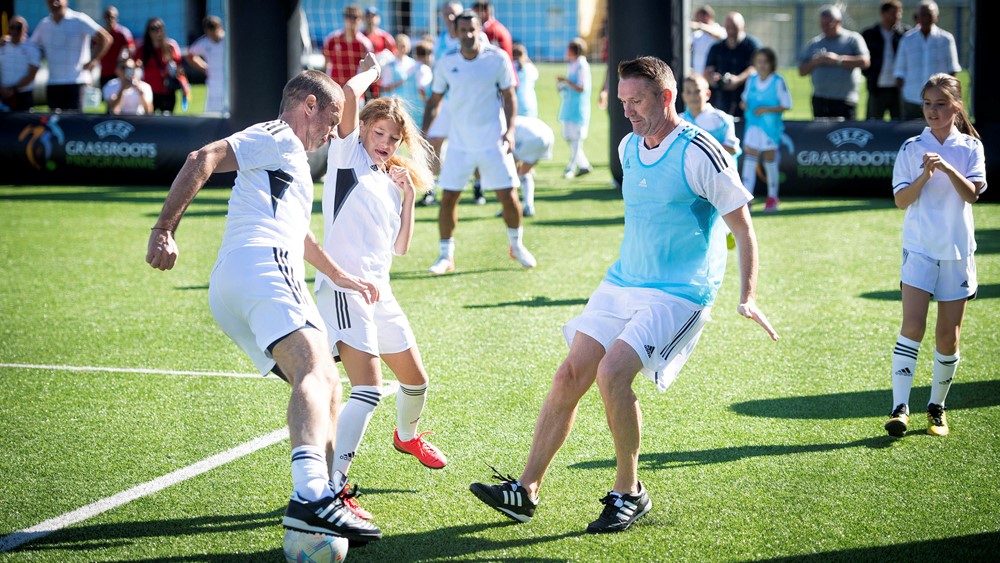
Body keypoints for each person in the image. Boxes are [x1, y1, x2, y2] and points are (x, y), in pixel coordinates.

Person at [469, 55, 778, 534]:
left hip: (680, 293)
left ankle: (630, 492)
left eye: (637, 101)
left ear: (666, 97)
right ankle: (525, 490)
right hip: (623, 280)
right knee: (570, 374)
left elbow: (743, 225)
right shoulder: (628, 146)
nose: (628, 111)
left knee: (612, 373)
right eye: (622, 101)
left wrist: (749, 294)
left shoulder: (701, 151)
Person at [145, 69, 382, 543]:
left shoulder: (291, 160)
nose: (333, 132)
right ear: (309, 105)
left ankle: (325, 496)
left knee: (325, 384)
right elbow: (203, 156)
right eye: (332, 118)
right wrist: (163, 229)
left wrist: (339, 275)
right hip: (261, 265)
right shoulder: (279, 135)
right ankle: (311, 496)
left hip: (237, 282)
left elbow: (300, 233)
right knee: (316, 370)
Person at [315, 53, 447, 520]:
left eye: (394, 138)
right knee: (368, 390)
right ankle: (333, 486)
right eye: (379, 134)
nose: (386, 144)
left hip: (380, 293)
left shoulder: (390, 182)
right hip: (343, 290)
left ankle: (406, 437)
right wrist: (372, 70)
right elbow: (349, 93)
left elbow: (401, 248)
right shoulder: (346, 157)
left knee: (416, 381)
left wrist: (407, 197)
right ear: (363, 130)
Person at [884, 73, 985, 438]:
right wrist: (925, 175)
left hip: (957, 254)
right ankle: (899, 408)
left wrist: (947, 167)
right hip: (919, 250)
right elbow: (901, 201)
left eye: (941, 104)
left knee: (948, 337)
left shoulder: (971, 147)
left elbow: (972, 194)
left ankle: (936, 407)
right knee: (912, 327)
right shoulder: (912, 147)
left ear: (956, 107)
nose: (932, 111)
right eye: (927, 104)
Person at [422, 10, 536, 274]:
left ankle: (516, 246)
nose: (468, 35)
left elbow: (509, 96)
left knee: (508, 196)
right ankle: (445, 256)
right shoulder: (447, 61)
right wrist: (424, 133)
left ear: (480, 29)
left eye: (472, 29)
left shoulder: (497, 58)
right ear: (456, 32)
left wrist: (510, 131)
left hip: (493, 142)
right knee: (448, 198)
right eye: (463, 30)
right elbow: (435, 100)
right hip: (459, 144)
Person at [418, 1, 464, 208]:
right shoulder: (439, 41)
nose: (450, 18)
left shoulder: (471, 38)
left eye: (454, 14)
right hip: (443, 102)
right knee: (432, 142)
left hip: (465, 103)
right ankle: (431, 189)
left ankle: (478, 187)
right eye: (446, 14)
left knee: (469, 145)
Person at [30, 0, 111, 111]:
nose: (54, 4)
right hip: (53, 82)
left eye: (57, 0)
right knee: (53, 120)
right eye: (50, 1)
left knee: (74, 119)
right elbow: (31, 45)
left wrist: (93, 60)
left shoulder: (79, 19)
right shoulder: (44, 24)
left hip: (76, 81)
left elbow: (105, 38)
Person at [797, 5, 870, 120]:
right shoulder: (815, 43)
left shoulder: (852, 39)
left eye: (828, 24)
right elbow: (801, 71)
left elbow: (865, 62)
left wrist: (838, 60)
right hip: (820, 99)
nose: (825, 28)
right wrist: (815, 62)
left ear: (838, 22)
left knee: (844, 131)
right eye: (822, 24)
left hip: (844, 99)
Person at [740, 47, 791, 212]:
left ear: (771, 64)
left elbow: (786, 105)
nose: (762, 65)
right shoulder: (751, 80)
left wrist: (766, 110)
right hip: (752, 126)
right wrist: (744, 105)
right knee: (750, 157)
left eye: (765, 62)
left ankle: (772, 197)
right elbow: (744, 99)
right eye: (759, 62)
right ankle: (746, 198)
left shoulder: (778, 81)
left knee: (770, 159)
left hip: (770, 129)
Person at [893, 1, 960, 121]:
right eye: (922, 15)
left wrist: (949, 94)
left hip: (938, 100)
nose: (925, 18)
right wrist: (902, 93)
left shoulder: (946, 39)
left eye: (929, 15)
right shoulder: (907, 39)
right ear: (916, 17)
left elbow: (952, 69)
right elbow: (900, 70)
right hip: (912, 98)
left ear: (936, 17)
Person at [703, 12, 759, 118]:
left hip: (745, 98)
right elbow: (707, 71)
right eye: (728, 27)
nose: (731, 31)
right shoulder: (717, 47)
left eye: (735, 27)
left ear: (743, 27)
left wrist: (738, 80)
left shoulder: (752, 45)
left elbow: (756, 67)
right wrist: (714, 79)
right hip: (721, 99)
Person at [862, 1, 907, 120]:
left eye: (899, 13)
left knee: (900, 122)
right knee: (873, 123)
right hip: (877, 88)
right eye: (893, 13)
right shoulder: (870, 34)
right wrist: (870, 75)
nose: (897, 16)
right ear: (883, 13)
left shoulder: (904, 34)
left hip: (898, 89)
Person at [680, 74, 740, 162]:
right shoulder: (679, 120)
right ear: (683, 96)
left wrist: (703, 145)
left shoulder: (722, 119)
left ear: (707, 94)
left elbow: (733, 149)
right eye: (688, 92)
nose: (693, 96)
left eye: (697, 91)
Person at [134, 17, 189, 113]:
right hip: (149, 91)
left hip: (167, 89)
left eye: (159, 28)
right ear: (148, 31)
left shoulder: (170, 46)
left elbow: (179, 67)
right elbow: (133, 63)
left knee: (167, 118)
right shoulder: (142, 48)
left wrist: (184, 85)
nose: (157, 32)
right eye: (153, 29)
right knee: (149, 119)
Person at [380, 34, 433, 130]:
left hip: (412, 105)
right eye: (400, 46)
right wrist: (400, 82)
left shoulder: (413, 63)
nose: (403, 49)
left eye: (405, 46)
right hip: (395, 105)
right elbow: (384, 87)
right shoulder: (390, 65)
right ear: (396, 46)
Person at [557, 37, 592, 180]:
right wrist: (562, 86)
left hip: (578, 108)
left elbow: (581, 88)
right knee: (568, 137)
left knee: (576, 139)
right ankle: (584, 165)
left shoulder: (582, 66)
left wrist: (566, 81)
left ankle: (570, 168)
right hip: (569, 106)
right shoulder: (572, 64)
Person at [323, 5, 374, 92]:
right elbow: (326, 63)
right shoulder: (332, 39)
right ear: (344, 19)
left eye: (355, 17)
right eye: (348, 16)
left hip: (355, 89)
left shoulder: (365, 43)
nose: (351, 20)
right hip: (334, 88)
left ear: (361, 20)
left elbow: (368, 68)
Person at [186, 16, 226, 114]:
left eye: (214, 30)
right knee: (212, 113)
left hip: (228, 83)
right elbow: (190, 56)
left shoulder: (229, 40)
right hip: (213, 84)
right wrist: (204, 68)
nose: (212, 35)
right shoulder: (204, 43)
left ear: (220, 28)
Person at [0, 16, 41, 112]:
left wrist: (13, 89)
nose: (15, 30)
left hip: (24, 95)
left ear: (25, 29)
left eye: (19, 27)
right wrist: (2, 89)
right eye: (12, 27)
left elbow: (32, 74)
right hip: (3, 94)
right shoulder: (2, 46)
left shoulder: (32, 48)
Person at [97, 6, 134, 90]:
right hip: (105, 72)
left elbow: (131, 50)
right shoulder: (100, 34)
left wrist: (124, 61)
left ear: (116, 18)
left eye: (112, 17)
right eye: (107, 17)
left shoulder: (123, 33)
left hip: (120, 73)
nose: (110, 19)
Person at [690, 5, 726, 75]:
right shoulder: (697, 35)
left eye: (698, 17)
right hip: (698, 74)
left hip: (713, 75)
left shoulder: (718, 29)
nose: (696, 19)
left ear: (706, 16)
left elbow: (720, 35)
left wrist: (700, 26)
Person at [513, 43, 539, 118]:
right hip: (529, 105)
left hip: (514, 105)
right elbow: (536, 76)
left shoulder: (510, 66)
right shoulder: (530, 67)